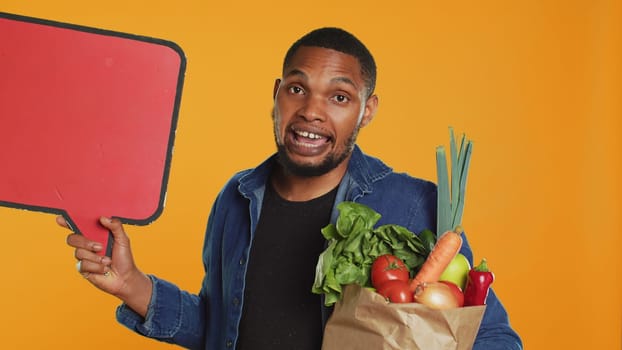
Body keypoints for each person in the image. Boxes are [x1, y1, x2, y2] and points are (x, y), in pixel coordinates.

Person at [62, 27, 523, 349]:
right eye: (298, 89)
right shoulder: (236, 199)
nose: (312, 111)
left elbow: (493, 338)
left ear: (367, 111)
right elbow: (224, 328)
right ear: (277, 94)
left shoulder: (412, 205)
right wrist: (133, 286)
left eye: (339, 97)